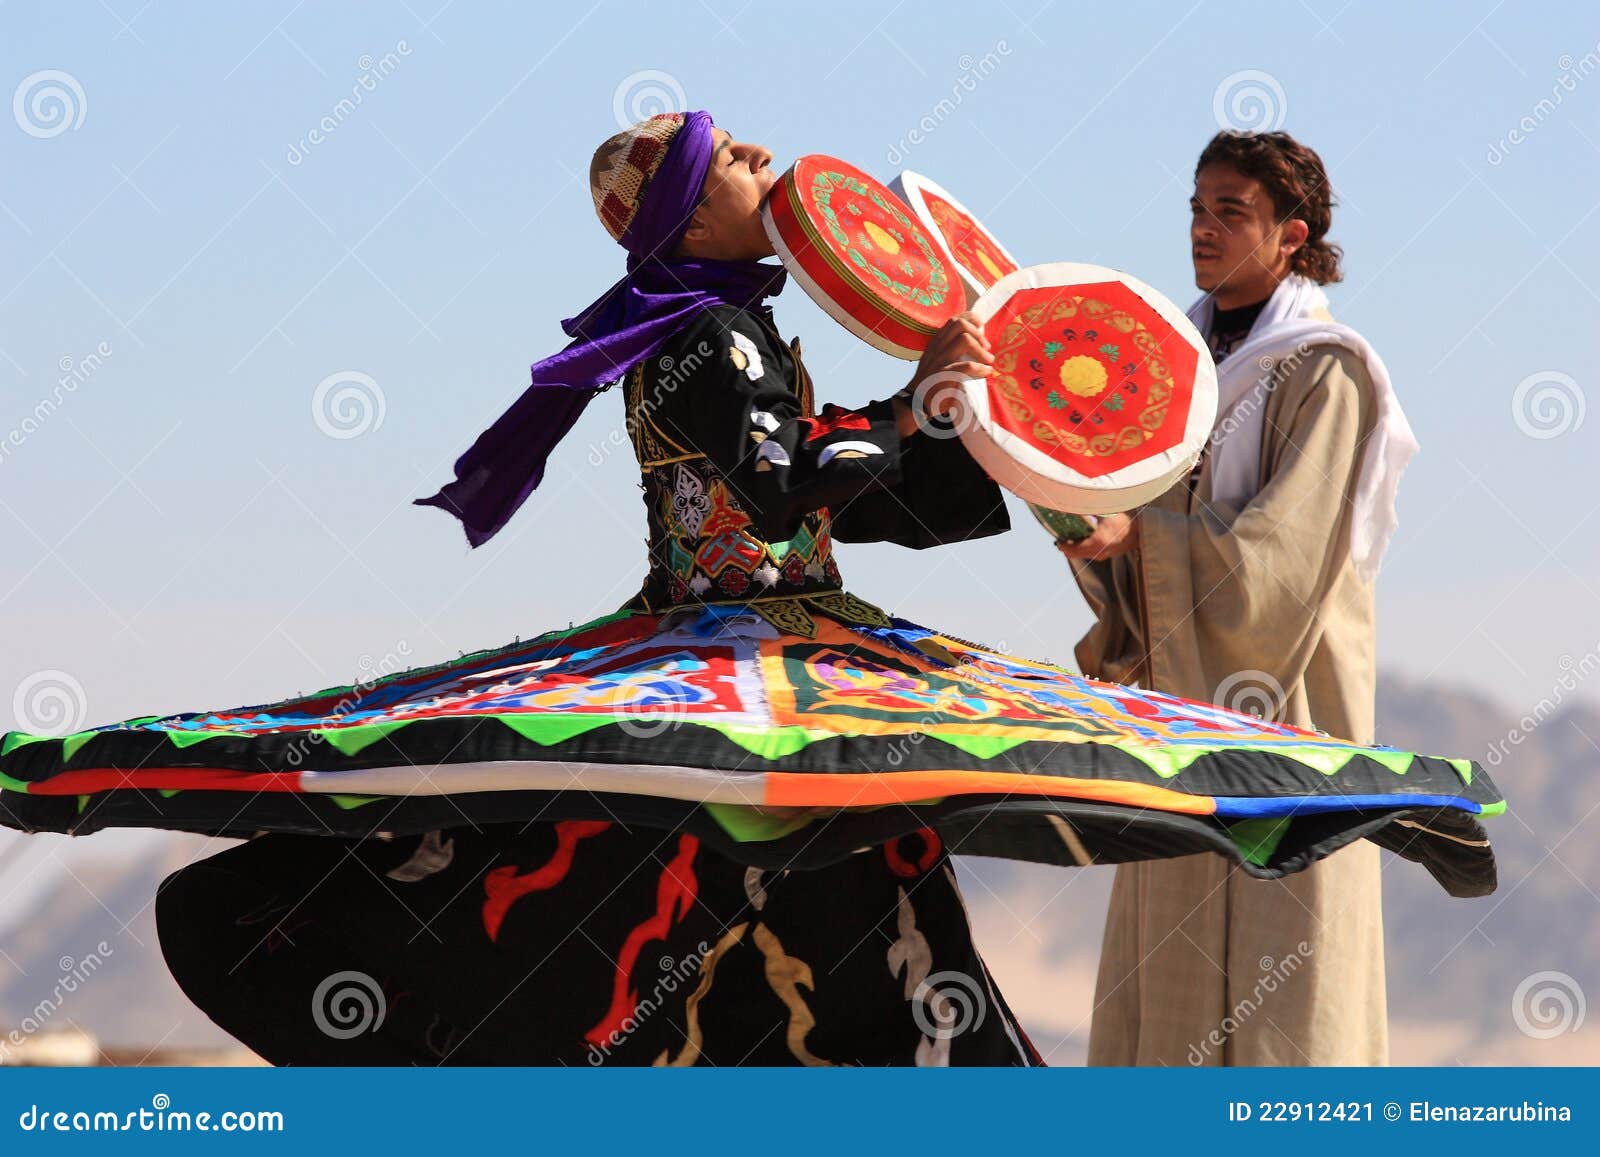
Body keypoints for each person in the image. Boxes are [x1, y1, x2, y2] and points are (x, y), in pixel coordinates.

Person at [1063, 130, 1418, 1065]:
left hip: (1287, 707)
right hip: (1177, 708)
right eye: (1196, 207)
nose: (1204, 230)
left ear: (1291, 234)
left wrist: (1143, 535)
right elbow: (1129, 531)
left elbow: (1281, 563)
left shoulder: (1326, 371)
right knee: (1165, 962)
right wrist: (1080, 514)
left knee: (1286, 983)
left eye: (1233, 212)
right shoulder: (1167, 367)